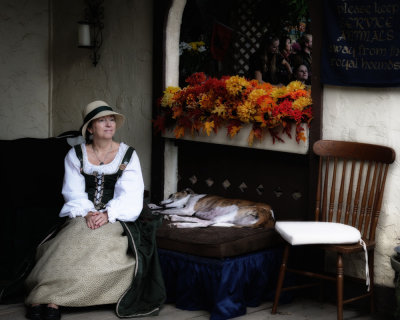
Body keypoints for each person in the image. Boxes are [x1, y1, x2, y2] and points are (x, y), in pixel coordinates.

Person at [24, 101, 165, 320]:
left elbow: (130, 195)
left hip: (119, 216)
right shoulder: (75, 155)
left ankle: (54, 300)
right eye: (102, 120)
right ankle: (40, 296)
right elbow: (73, 193)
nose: (109, 124)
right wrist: (88, 213)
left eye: (111, 120)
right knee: (69, 242)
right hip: (83, 213)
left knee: (96, 246)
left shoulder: (127, 155)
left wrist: (108, 214)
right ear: (90, 128)